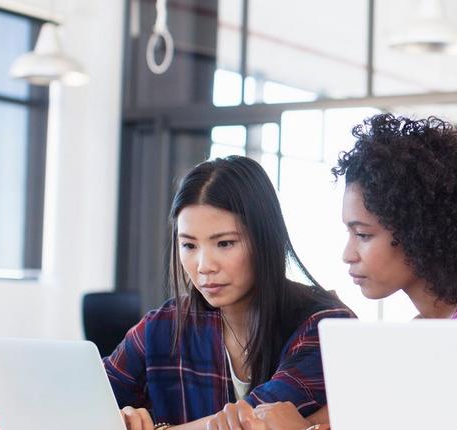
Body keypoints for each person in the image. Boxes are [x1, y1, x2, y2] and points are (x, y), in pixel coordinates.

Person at [223, 113, 457, 429]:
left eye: (362, 235)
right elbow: (343, 417)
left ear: (419, 232)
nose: (347, 255)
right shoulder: (417, 335)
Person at [103, 156, 353, 430]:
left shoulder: (325, 326)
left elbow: (254, 421)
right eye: (189, 245)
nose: (204, 266)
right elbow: (82, 400)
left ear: (265, 239)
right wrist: (117, 418)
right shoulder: (163, 326)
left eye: (224, 243)